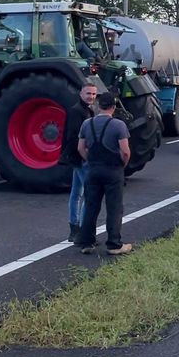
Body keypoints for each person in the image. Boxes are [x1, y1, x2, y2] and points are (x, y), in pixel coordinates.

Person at [74, 92, 133, 255]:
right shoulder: (119, 125)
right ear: (113, 107)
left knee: (91, 206)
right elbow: (125, 151)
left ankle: (86, 242)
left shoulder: (87, 124)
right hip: (113, 170)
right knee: (114, 207)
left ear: (98, 106)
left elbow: (80, 148)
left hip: (93, 169)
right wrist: (121, 165)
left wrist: (90, 161)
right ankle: (114, 244)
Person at [64, 84, 97, 242]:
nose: (91, 96)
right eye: (88, 93)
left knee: (76, 192)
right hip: (81, 158)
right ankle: (84, 230)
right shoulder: (77, 111)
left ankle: (74, 227)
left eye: (93, 94)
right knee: (89, 194)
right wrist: (83, 156)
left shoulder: (87, 110)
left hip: (77, 157)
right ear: (80, 94)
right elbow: (74, 137)